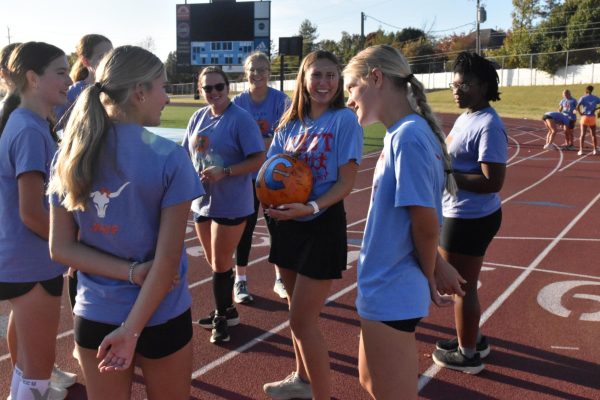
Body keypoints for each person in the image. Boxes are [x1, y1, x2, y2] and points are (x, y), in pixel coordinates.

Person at [48, 45, 203, 399]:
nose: (166, 97)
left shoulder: (69, 154)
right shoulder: (170, 157)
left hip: (96, 313)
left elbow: (61, 248)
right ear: (139, 92)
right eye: (162, 87)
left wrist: (130, 273)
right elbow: (165, 265)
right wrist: (131, 331)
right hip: (161, 314)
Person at [343, 44, 466, 400]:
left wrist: (429, 273)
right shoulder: (401, 133)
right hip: (383, 285)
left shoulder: (408, 137)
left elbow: (426, 223)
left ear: (376, 78)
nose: (349, 99)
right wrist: (437, 265)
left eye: (352, 87)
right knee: (370, 380)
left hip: (393, 288)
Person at [262, 50, 363, 400]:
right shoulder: (289, 122)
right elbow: (270, 169)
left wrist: (311, 207)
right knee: (294, 310)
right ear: (303, 79)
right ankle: (302, 380)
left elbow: (345, 183)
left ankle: (321, 395)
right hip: (286, 222)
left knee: (302, 321)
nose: (324, 83)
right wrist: (269, 200)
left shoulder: (344, 121)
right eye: (317, 75)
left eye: (331, 76)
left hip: (320, 224)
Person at [0, 41, 72, 400]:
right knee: (38, 372)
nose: (69, 80)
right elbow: (31, 212)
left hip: (18, 261)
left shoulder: (22, 122)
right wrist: (72, 249)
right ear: (32, 78)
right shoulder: (28, 129)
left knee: (27, 366)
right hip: (31, 264)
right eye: (60, 72)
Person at [432, 51, 508, 374]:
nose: (455, 89)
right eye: (454, 83)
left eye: (462, 84)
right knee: (463, 285)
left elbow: (493, 181)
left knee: (460, 287)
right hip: (461, 213)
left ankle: (467, 354)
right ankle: (473, 338)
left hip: (469, 217)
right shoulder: (467, 117)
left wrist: (447, 174)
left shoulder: (489, 124)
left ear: (482, 86)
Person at [183, 66, 265, 343]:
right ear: (200, 90)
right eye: (208, 88)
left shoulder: (240, 119)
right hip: (201, 201)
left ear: (228, 87)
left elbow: (258, 159)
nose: (214, 92)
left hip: (232, 202)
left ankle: (221, 317)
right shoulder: (197, 117)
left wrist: (226, 171)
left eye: (219, 87)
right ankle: (229, 310)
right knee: (214, 262)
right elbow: (185, 154)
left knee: (219, 263)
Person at [231, 51, 290, 303]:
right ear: (246, 72)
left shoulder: (282, 101)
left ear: (270, 72)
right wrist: (263, 144)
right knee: (245, 230)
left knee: (278, 229)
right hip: (245, 177)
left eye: (262, 69)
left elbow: (285, 141)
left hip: (274, 177)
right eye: (253, 69)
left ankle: (280, 278)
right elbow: (234, 142)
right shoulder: (237, 103)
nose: (257, 74)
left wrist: (255, 144)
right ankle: (240, 280)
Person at [55, 34, 112, 124]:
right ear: (86, 61)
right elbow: (59, 126)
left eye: (111, 55)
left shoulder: (115, 87)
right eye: (102, 57)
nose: (109, 60)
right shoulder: (74, 92)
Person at [576, 85, 600, 156]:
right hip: (592, 117)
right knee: (593, 135)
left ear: (586, 90)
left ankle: (581, 150)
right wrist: (595, 109)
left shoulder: (583, 97)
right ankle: (595, 150)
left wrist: (580, 113)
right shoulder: (595, 97)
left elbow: (577, 106)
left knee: (582, 134)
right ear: (592, 90)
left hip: (585, 117)